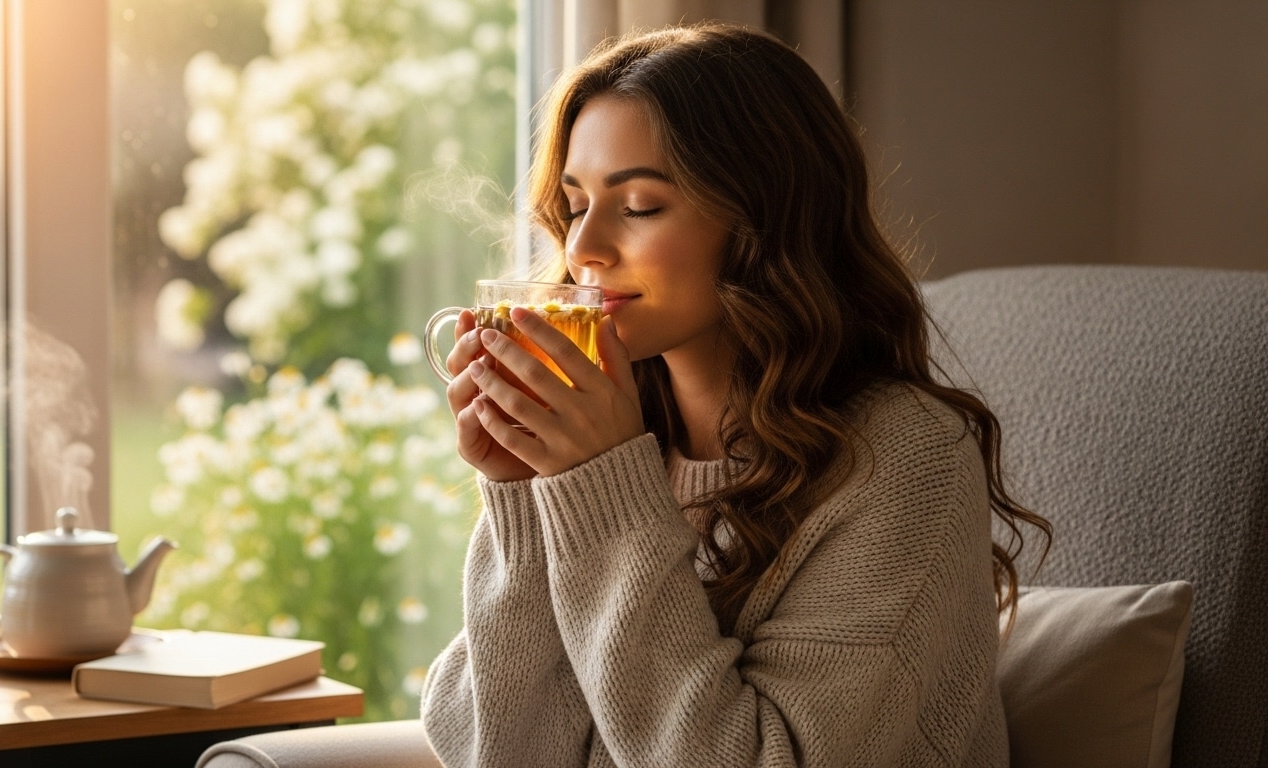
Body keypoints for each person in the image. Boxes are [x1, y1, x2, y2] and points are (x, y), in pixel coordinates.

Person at [420, 21, 1051, 768]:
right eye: (575, 204)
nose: (584, 248)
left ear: (764, 221)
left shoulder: (903, 461)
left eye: (641, 206)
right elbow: (499, 752)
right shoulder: (621, 438)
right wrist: (526, 490)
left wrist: (603, 484)